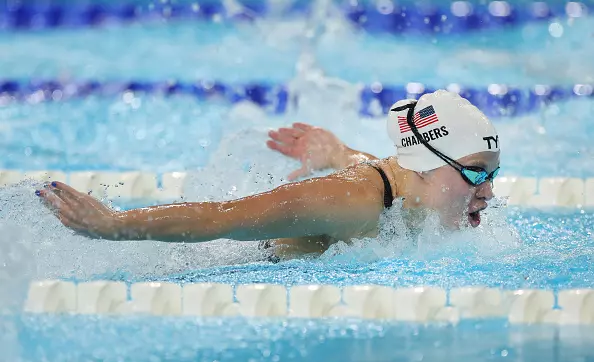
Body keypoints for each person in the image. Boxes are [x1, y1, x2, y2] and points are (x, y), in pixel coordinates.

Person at [36, 90, 500, 260]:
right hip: (225, 260)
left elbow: (386, 171)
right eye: (478, 175)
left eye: (493, 175)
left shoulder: (407, 182)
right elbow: (224, 217)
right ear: (426, 164)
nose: (490, 192)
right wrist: (115, 226)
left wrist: (340, 152)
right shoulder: (348, 200)